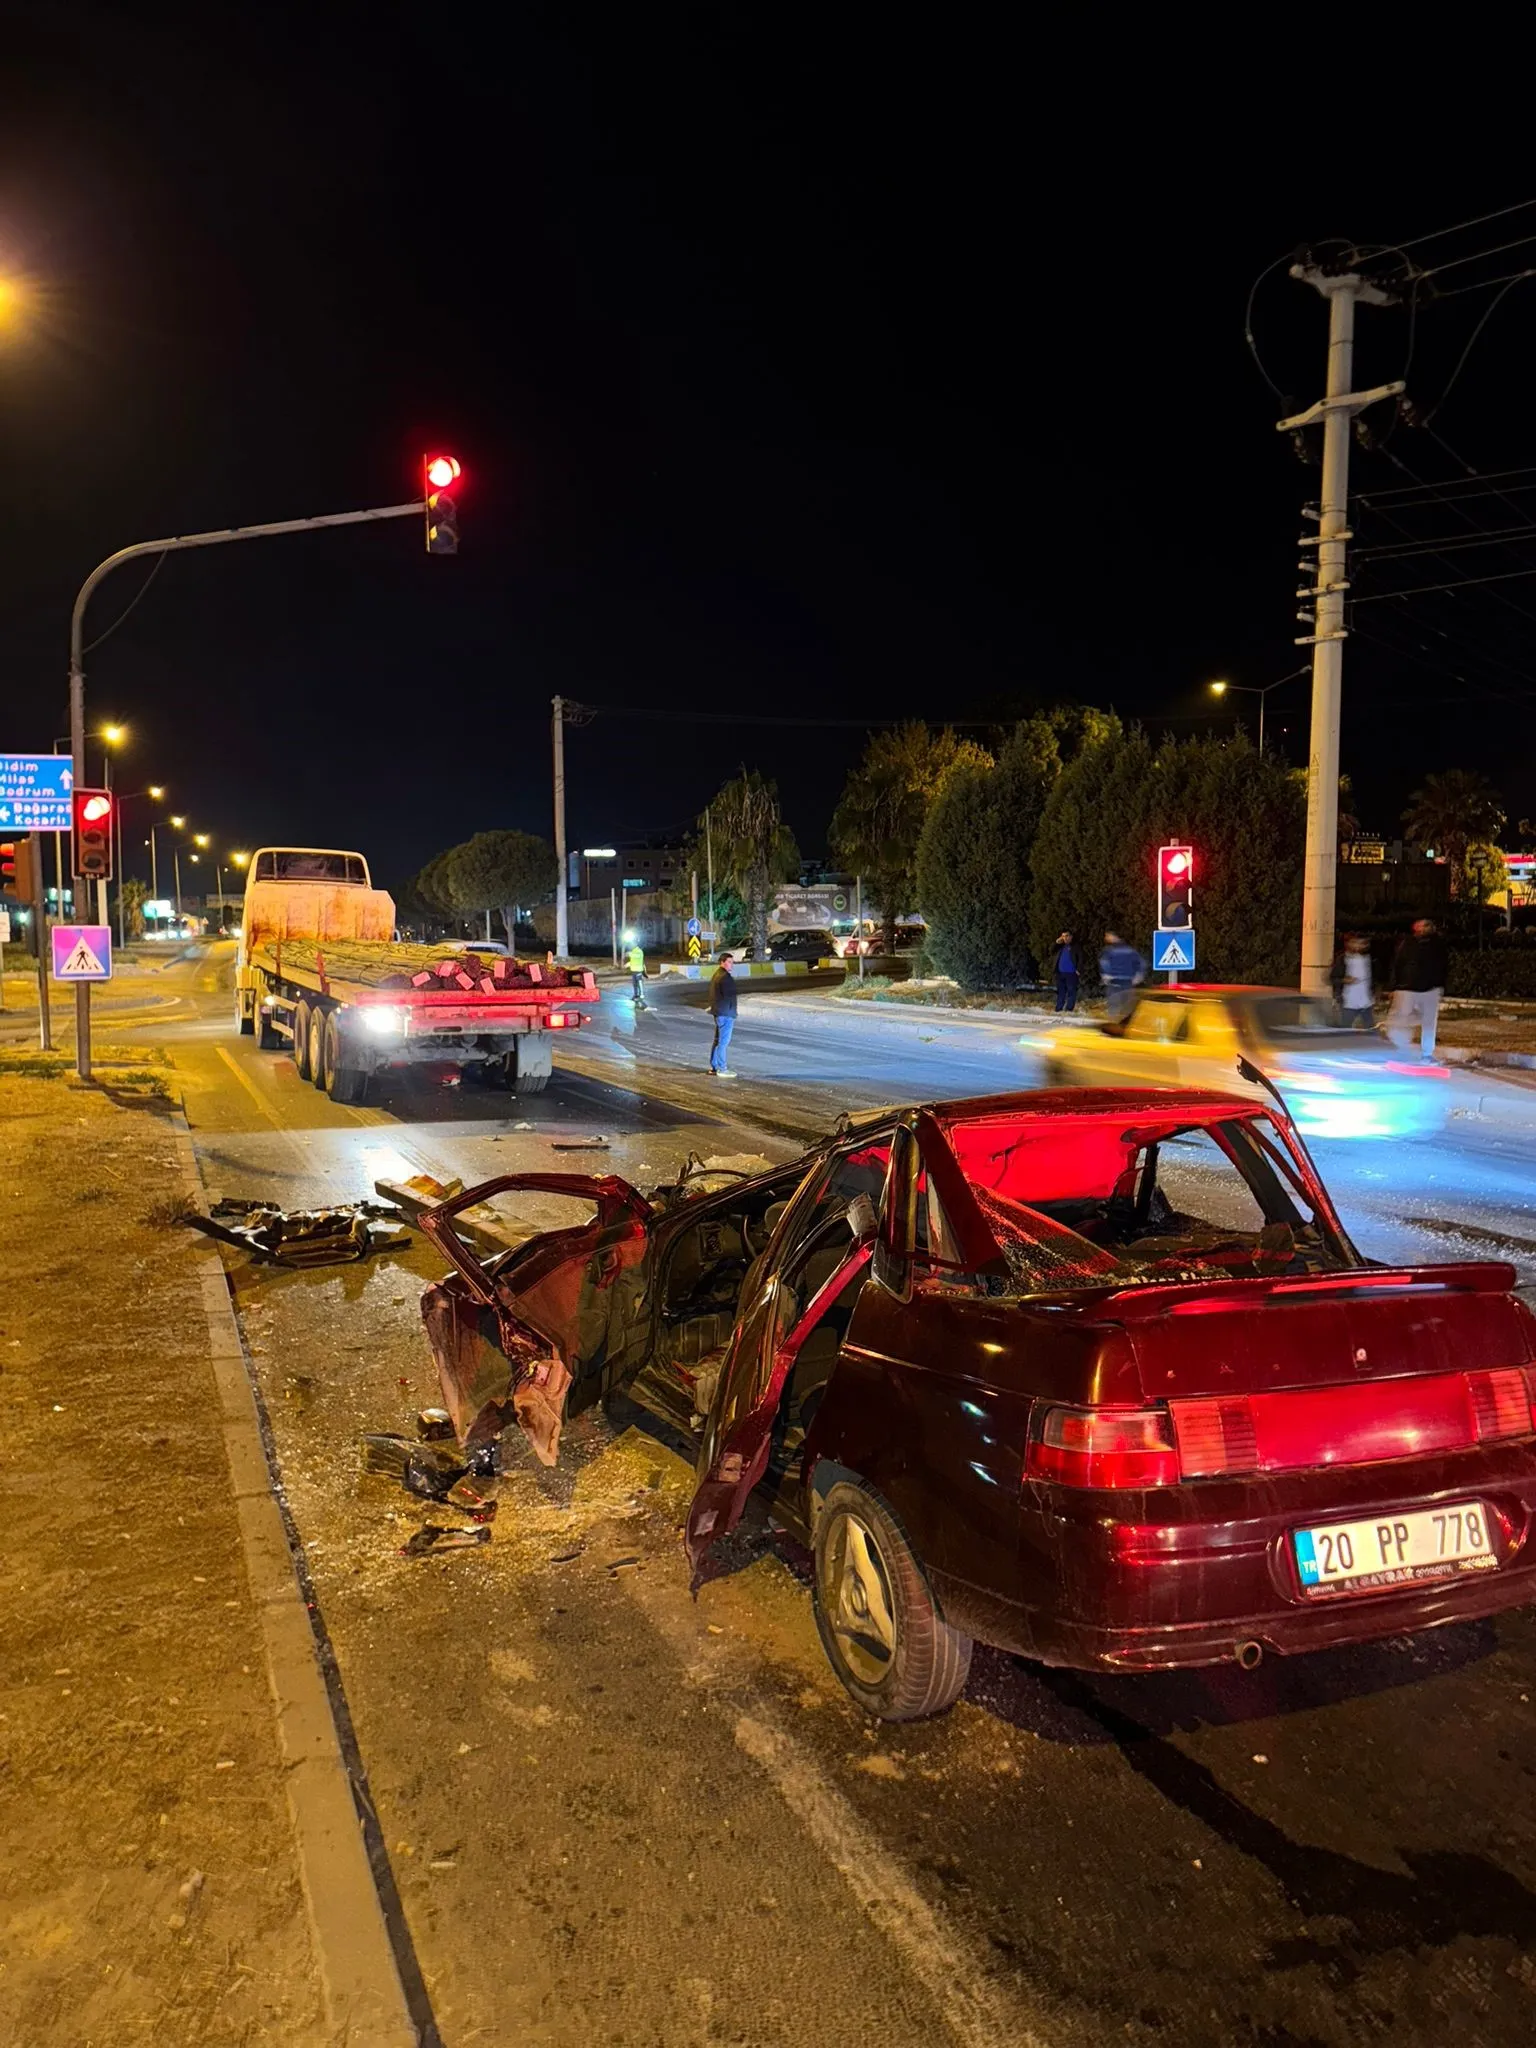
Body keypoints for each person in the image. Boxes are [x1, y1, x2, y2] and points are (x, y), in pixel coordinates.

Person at [1388, 918, 1449, 1058]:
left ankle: (1427, 1053)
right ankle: (1400, 1050)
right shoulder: (1407, 944)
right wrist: (1394, 986)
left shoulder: (1437, 944)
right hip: (1407, 988)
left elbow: (1443, 966)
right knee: (1402, 1020)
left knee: (1429, 1022)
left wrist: (1441, 986)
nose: (1423, 929)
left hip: (1430, 989)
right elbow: (1397, 964)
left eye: (1426, 925)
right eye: (1421, 926)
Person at [1098, 929, 1146, 1024]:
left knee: (1114, 1007)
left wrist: (1105, 975)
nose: (1106, 938)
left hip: (1114, 983)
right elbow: (1141, 963)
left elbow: (1104, 964)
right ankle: (1125, 1028)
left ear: (1114, 936)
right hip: (1128, 983)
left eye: (1108, 935)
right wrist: (1138, 976)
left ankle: (1114, 1028)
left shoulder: (1109, 951)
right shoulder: (1130, 950)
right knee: (1127, 1008)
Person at [1336, 933, 1375, 1030]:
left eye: (1361, 943)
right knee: (1345, 1028)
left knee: (1370, 1028)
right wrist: (1344, 980)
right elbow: (1333, 978)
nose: (1357, 946)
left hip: (1366, 1001)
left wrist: (1375, 993)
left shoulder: (1370, 959)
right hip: (1349, 1000)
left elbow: (1375, 978)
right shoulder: (1342, 959)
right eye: (1354, 943)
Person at [1052, 931, 1079, 1013]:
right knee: (1061, 992)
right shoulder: (1060, 946)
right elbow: (1051, 950)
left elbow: (1081, 958)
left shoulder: (1075, 946)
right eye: (1063, 936)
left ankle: (1069, 1010)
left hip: (1071, 973)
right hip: (1061, 973)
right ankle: (1058, 1009)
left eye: (1067, 936)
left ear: (1071, 936)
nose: (1065, 938)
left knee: (1071, 992)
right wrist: (1057, 942)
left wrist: (1079, 969)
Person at [625, 939, 647, 1007]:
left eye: (632, 944)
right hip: (634, 970)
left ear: (635, 944)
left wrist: (630, 954)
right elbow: (633, 961)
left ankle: (641, 995)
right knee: (635, 984)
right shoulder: (634, 951)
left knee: (639, 983)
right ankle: (636, 995)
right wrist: (628, 964)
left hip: (638, 970)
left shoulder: (639, 951)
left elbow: (637, 956)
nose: (631, 945)